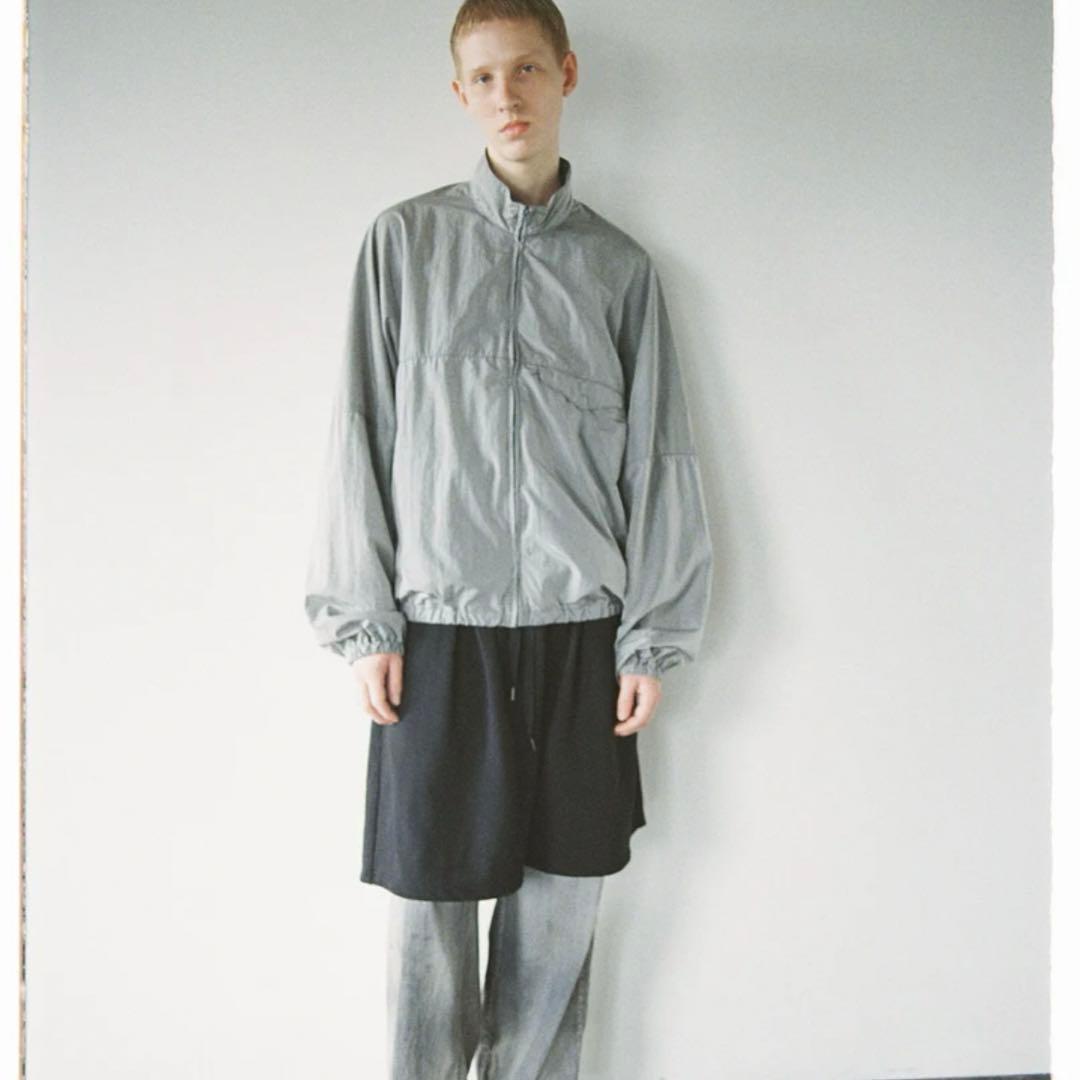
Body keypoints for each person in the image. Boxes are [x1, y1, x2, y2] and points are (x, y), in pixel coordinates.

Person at [304, 0, 714, 1075]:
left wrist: (652, 636)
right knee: (429, 927)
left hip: (583, 638)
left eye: (526, 69)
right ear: (460, 93)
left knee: (562, 918)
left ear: (565, 74)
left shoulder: (619, 269)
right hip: (439, 636)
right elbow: (359, 434)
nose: (507, 95)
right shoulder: (404, 244)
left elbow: (660, 458)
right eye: (484, 77)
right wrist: (364, 622)